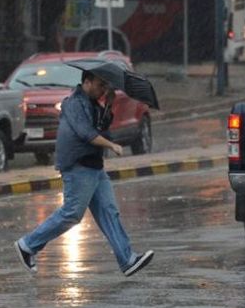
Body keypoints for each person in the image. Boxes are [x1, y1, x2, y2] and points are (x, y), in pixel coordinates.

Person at [14, 70, 154, 277]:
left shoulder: (94, 103)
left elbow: (102, 128)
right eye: (100, 85)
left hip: (94, 167)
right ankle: (27, 245)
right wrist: (111, 145)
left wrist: (109, 104)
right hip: (78, 166)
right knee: (72, 213)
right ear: (86, 82)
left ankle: (127, 259)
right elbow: (87, 134)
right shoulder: (73, 103)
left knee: (109, 212)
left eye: (106, 87)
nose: (103, 90)